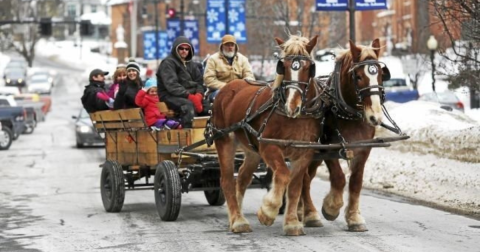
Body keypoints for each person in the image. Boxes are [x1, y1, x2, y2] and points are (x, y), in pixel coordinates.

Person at [156, 36, 205, 128]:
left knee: (209, 107)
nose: (184, 51)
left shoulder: (192, 64)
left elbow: (199, 82)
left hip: (191, 95)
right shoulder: (168, 63)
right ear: (176, 49)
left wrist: (199, 95)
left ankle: (211, 135)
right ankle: (189, 134)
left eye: (187, 49)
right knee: (188, 106)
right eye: (181, 48)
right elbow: (172, 85)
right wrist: (190, 96)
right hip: (169, 95)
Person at [203, 34, 255, 101]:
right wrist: (227, 87)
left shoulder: (243, 59)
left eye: (232, 45)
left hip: (240, 90)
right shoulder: (213, 59)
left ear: (235, 46)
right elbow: (209, 80)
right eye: (227, 45)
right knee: (224, 97)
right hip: (219, 91)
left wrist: (241, 87)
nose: (230, 47)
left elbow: (250, 77)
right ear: (222, 46)